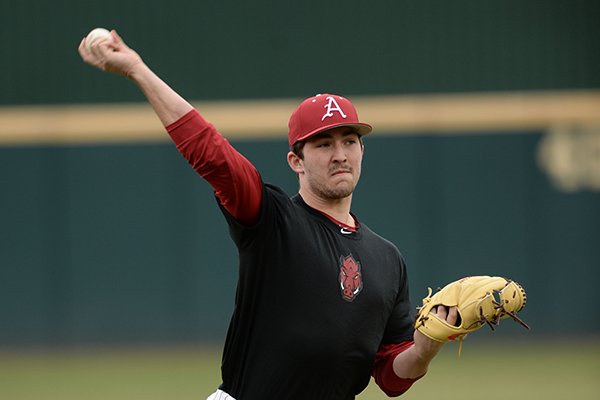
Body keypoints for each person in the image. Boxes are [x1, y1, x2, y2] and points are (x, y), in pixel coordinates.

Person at [78, 30, 458, 400]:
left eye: (349, 141)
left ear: (362, 151)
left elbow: (391, 376)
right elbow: (212, 154)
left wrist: (427, 346)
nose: (339, 154)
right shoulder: (272, 221)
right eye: (323, 144)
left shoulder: (388, 259)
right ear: (296, 161)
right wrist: (137, 70)